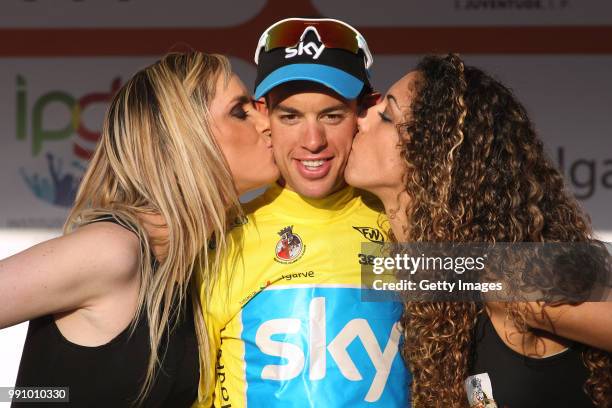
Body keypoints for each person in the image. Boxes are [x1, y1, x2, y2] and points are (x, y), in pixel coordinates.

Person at [0, 51, 278, 407]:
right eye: (240, 111)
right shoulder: (113, 251)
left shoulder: (192, 265)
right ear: (184, 138)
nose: (267, 122)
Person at [344, 53, 612, 407]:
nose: (361, 118)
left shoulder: (514, 275)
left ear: (433, 156)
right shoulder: (429, 277)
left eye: (387, 115)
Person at [195, 18, 411, 407]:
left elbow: (536, 289)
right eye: (290, 116)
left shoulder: (400, 224)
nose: (313, 142)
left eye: (332, 115)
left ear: (364, 111)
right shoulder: (224, 237)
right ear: (264, 117)